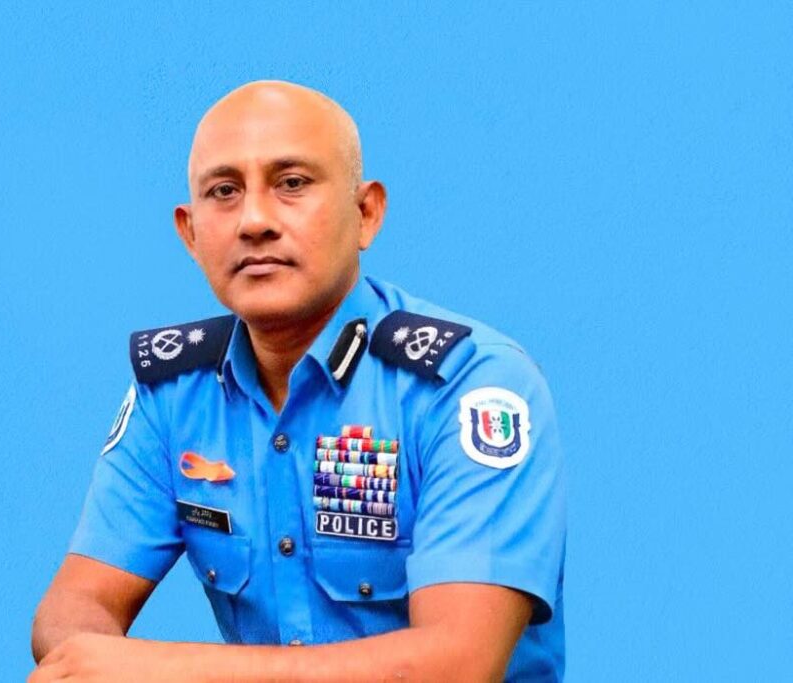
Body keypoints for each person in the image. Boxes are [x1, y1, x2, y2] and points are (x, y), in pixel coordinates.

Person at [29, 80, 566, 682]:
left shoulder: (467, 386)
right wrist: (86, 658)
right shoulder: (176, 395)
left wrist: (164, 671)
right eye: (224, 191)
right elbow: (74, 608)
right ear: (190, 233)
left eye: (291, 183)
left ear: (366, 213)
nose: (255, 221)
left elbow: (458, 664)